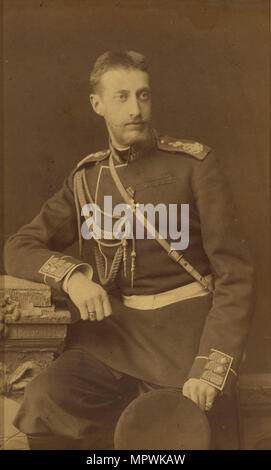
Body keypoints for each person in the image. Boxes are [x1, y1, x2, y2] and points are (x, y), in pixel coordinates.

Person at [4, 50, 254, 450]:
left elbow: (235, 277)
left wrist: (210, 368)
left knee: (172, 434)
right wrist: (74, 278)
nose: (136, 109)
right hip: (111, 339)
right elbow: (19, 246)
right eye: (122, 97)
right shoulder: (86, 179)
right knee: (44, 399)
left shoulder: (195, 167)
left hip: (185, 340)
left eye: (143, 95)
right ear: (97, 104)